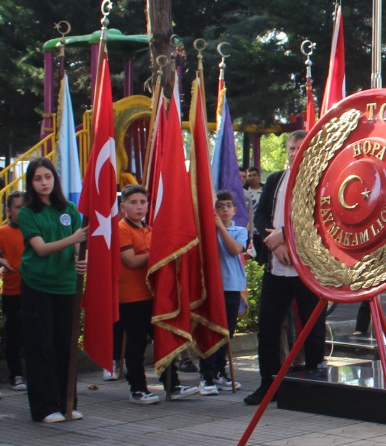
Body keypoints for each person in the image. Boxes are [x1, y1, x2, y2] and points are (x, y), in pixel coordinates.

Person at [248, 130, 330, 406]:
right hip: (277, 266)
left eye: (300, 148)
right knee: (268, 328)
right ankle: (267, 384)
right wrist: (274, 242)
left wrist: (285, 234)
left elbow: (320, 219)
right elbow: (260, 216)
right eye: (291, 148)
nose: (294, 153)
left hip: (307, 268)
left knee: (313, 328)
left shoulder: (320, 181)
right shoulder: (275, 179)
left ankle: (317, 385)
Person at [17, 157, 88, 424]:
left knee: (66, 345)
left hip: (66, 285)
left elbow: (77, 248)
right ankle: (45, 407)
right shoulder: (27, 213)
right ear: (31, 183)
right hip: (37, 285)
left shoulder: (69, 208)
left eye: (48, 177)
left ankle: (67, 401)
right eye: (38, 178)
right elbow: (41, 248)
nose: (44, 183)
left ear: (55, 179)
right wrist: (74, 239)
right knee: (41, 346)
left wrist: (82, 257)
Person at [115, 184, 189, 403]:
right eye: (133, 203)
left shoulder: (149, 230)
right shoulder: (121, 229)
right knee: (136, 343)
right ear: (123, 206)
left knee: (163, 337)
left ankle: (171, 385)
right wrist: (159, 252)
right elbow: (131, 260)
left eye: (143, 202)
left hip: (152, 296)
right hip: (131, 297)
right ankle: (137, 388)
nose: (139, 207)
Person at [200, 190, 249, 392]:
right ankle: (206, 376)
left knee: (226, 333)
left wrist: (220, 227)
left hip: (231, 287)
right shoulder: (206, 230)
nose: (225, 210)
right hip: (212, 287)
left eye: (228, 206)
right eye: (220, 206)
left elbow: (235, 250)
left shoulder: (239, 231)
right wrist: (215, 227)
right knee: (211, 331)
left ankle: (220, 372)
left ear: (235, 210)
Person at [0, 192, 29, 392]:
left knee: (35, 334)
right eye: (18, 207)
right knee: (14, 335)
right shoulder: (1, 232)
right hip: (13, 291)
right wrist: (0, 261)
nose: (22, 211)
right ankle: (15, 374)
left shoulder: (36, 229)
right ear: (9, 210)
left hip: (36, 289)